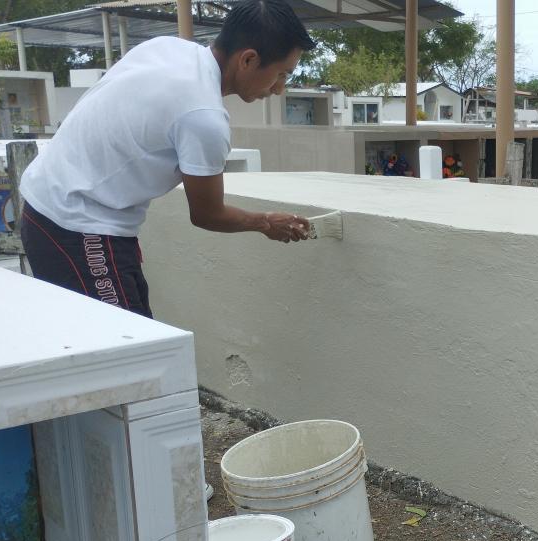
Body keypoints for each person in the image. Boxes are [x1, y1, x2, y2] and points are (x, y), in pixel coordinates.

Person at [19, 0, 316, 319]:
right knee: (132, 356)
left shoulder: (169, 48)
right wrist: (266, 222)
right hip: (76, 223)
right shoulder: (204, 117)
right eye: (282, 75)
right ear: (248, 59)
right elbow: (206, 214)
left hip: (50, 206)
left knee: (134, 344)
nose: (280, 89)